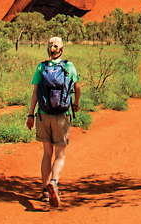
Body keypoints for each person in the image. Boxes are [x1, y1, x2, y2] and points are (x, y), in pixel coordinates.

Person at [25, 36, 81, 208]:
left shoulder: (41, 67)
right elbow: (77, 88)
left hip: (43, 115)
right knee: (60, 155)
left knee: (47, 154)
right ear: (61, 49)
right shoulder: (68, 66)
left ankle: (44, 191)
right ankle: (54, 183)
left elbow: (35, 92)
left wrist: (30, 115)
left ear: (49, 50)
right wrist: (76, 104)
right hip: (61, 116)